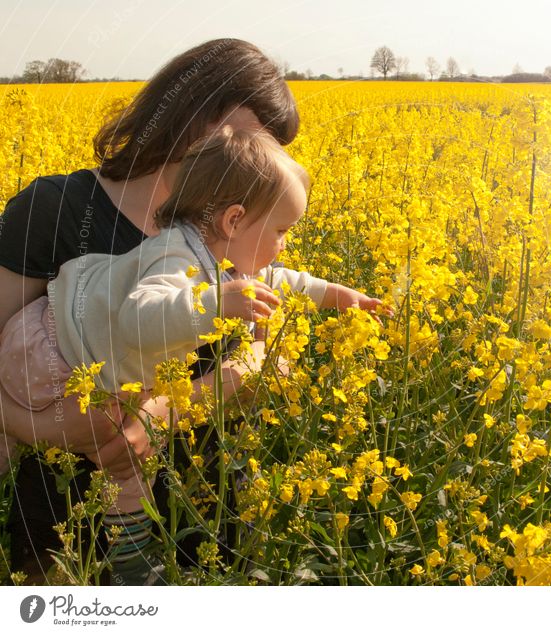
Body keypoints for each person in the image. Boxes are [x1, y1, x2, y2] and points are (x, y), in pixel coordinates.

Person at [0, 38, 358, 583]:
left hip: (201, 510)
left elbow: (272, 360)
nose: (248, 164)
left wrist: (163, 413)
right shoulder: (55, 208)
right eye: (239, 140)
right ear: (189, 107)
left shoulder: (239, 230)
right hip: (59, 518)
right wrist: (40, 424)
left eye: (262, 157)